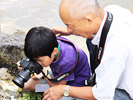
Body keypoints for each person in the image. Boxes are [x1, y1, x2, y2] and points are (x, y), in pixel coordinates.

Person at [42, 0, 133, 100]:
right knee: (91, 40)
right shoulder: (111, 11)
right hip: (120, 73)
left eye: (70, 25)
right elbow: (95, 32)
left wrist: (64, 89)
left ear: (88, 20)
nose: (68, 29)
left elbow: (102, 95)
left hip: (125, 93)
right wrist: (73, 31)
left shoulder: (115, 48)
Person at [17, 26, 90, 100]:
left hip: (74, 86)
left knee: (51, 96)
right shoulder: (49, 43)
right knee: (26, 86)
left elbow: (58, 87)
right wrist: (26, 67)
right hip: (59, 76)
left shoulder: (67, 60)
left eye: (40, 60)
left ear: (54, 51)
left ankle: (75, 98)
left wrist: (45, 74)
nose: (37, 63)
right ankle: (46, 89)